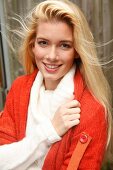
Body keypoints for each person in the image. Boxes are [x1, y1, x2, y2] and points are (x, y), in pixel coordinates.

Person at [0, 0, 112, 169]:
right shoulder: (19, 89)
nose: (52, 56)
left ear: (76, 51)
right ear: (33, 46)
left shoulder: (92, 110)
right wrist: (50, 131)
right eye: (43, 42)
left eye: (64, 45)